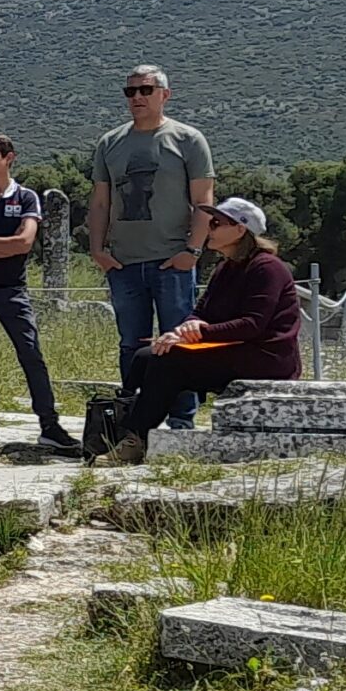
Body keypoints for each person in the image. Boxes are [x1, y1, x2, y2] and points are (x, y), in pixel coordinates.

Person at [99, 198, 300, 466]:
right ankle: (125, 429)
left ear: (240, 230)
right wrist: (184, 329)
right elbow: (201, 313)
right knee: (147, 355)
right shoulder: (226, 268)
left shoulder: (267, 268)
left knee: (169, 362)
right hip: (238, 350)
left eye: (216, 223)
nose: (209, 229)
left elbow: (253, 325)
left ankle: (135, 440)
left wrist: (195, 335)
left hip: (266, 357)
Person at [89, 65, 216, 429]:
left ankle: (181, 421)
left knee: (179, 341)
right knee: (132, 344)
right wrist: (98, 250)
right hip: (123, 262)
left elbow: (203, 199)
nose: (137, 98)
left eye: (145, 90)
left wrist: (191, 251)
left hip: (171, 260)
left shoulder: (188, 139)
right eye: (130, 92)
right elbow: (100, 202)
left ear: (165, 94)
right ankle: (134, 421)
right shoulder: (109, 143)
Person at [0, 135, 80, 454]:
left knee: (31, 354)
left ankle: (49, 424)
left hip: (12, 290)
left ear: (9, 158)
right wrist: (2, 247)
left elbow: (25, 243)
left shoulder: (26, 198)